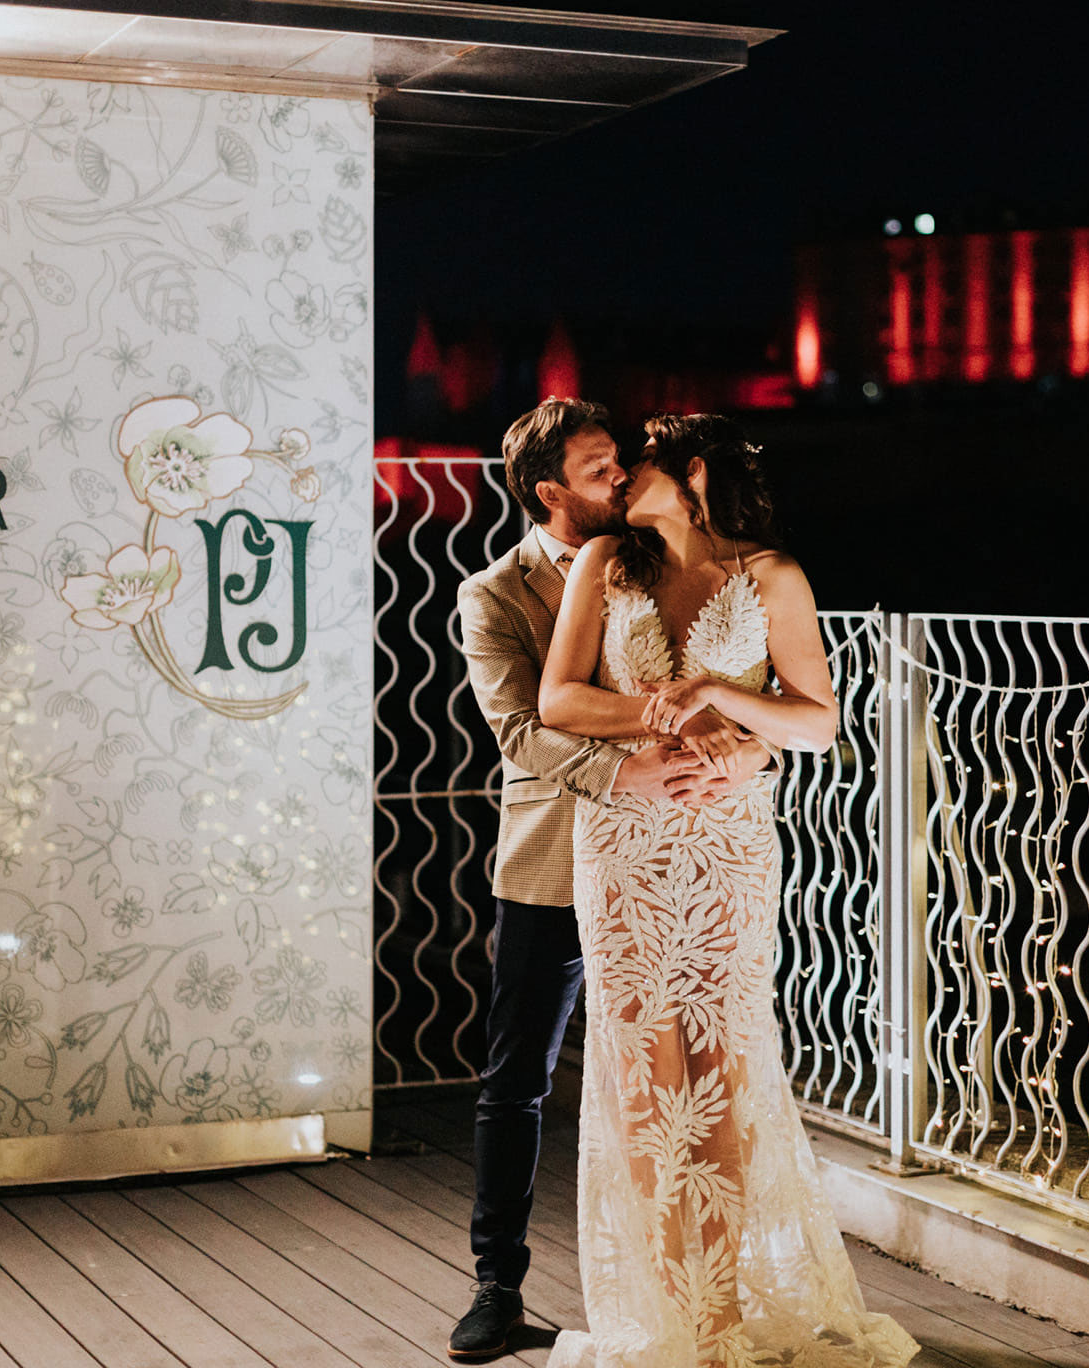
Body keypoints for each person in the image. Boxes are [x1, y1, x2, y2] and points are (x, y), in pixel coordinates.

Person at [539, 415, 918, 1368]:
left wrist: (725, 702)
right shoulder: (602, 567)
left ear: (694, 471)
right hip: (624, 843)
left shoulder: (772, 575)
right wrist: (661, 710)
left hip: (725, 846)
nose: (622, 477)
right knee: (641, 1081)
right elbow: (559, 700)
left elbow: (818, 721)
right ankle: (674, 1312)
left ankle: (721, 1314)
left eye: (643, 462)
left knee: (722, 1073)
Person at [452, 399, 777, 1361]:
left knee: (694, 1074)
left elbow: (754, 694)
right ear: (551, 492)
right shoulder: (496, 594)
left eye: (627, 463)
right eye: (602, 470)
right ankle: (496, 1286)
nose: (624, 477)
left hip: (685, 860)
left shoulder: (669, 562)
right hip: (563, 856)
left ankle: (701, 1291)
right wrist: (632, 757)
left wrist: (746, 749)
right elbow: (522, 729)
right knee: (520, 1076)